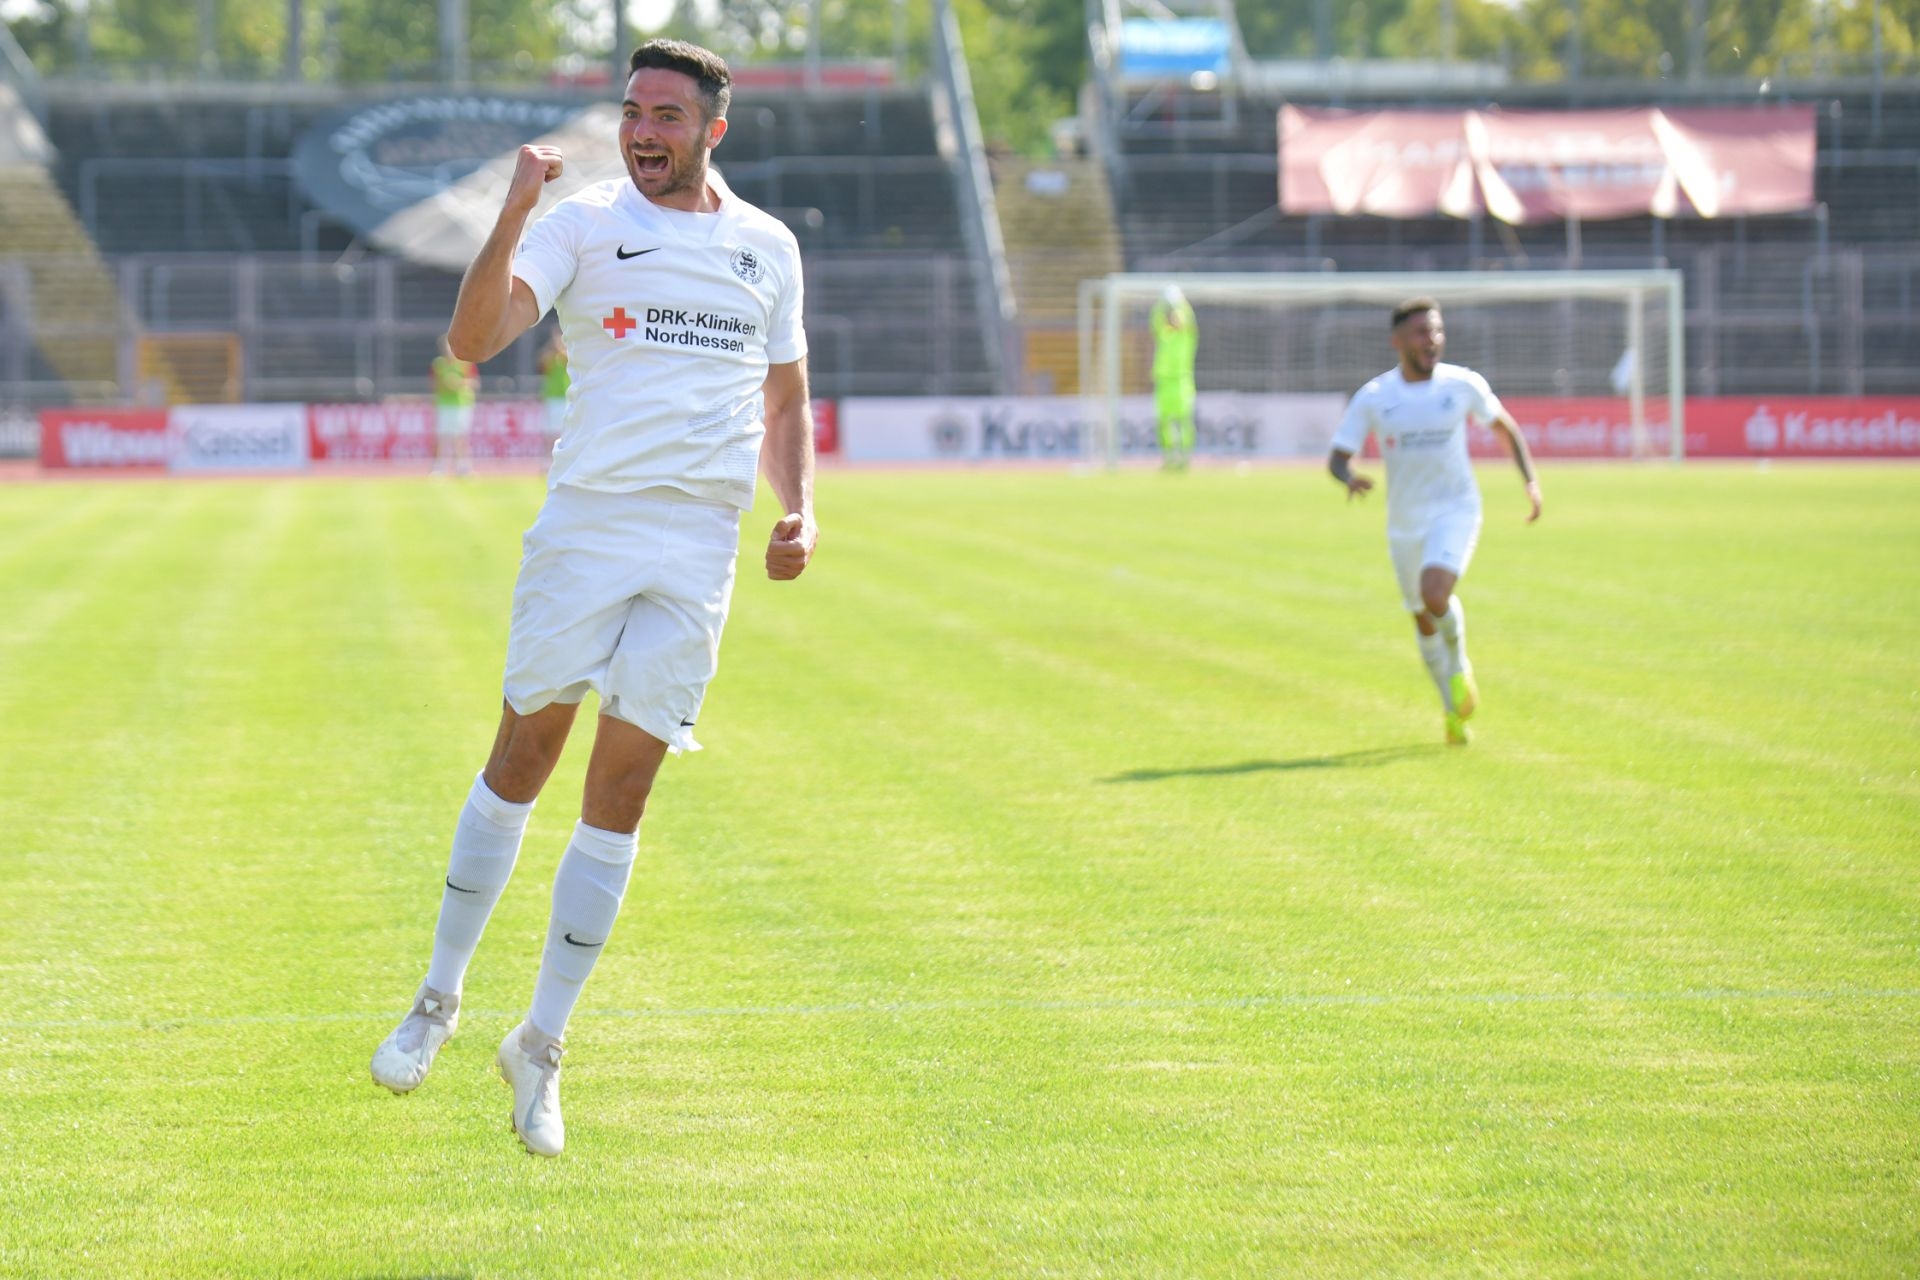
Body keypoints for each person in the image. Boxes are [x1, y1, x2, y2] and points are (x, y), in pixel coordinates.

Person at [369, 38, 818, 1157]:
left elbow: (787, 398)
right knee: (523, 756)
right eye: (631, 110)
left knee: (624, 791)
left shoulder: (767, 247)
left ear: (716, 126)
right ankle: (438, 996)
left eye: (666, 113)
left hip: (701, 543)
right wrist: (516, 207)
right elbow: (471, 341)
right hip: (591, 524)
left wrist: (800, 507)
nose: (642, 129)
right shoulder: (583, 220)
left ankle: (542, 1045)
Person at [1327, 297, 1541, 746]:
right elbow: (1336, 457)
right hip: (1404, 525)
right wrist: (1348, 477)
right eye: (1422, 332)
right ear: (1398, 341)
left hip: (1455, 509)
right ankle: (1452, 709)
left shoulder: (1462, 385)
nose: (1433, 340)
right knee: (1422, 618)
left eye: (1437, 330)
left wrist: (1530, 483)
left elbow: (1505, 428)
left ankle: (1460, 665)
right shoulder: (1375, 396)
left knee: (1435, 593)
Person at [1150, 285, 1197, 469]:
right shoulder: (1164, 335)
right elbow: (1155, 321)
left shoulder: (1187, 337)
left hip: (1182, 382)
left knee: (1184, 422)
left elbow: (1190, 320)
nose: (1176, 320)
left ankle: (1185, 458)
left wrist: (1181, 302)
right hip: (1164, 383)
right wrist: (1162, 303)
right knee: (1164, 423)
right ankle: (1169, 457)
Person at [430, 336, 478, 475]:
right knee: (442, 436)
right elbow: (434, 385)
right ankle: (439, 468)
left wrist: (458, 383)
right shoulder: (438, 364)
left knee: (461, 437)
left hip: (462, 404)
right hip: (445, 404)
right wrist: (446, 385)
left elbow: (474, 383)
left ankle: (463, 467)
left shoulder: (465, 363)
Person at [538, 327, 569, 451]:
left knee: (563, 431)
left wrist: (558, 344)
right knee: (550, 431)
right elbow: (542, 364)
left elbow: (565, 355)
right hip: (552, 397)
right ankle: (547, 458)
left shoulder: (567, 355)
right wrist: (551, 346)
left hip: (565, 397)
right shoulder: (551, 356)